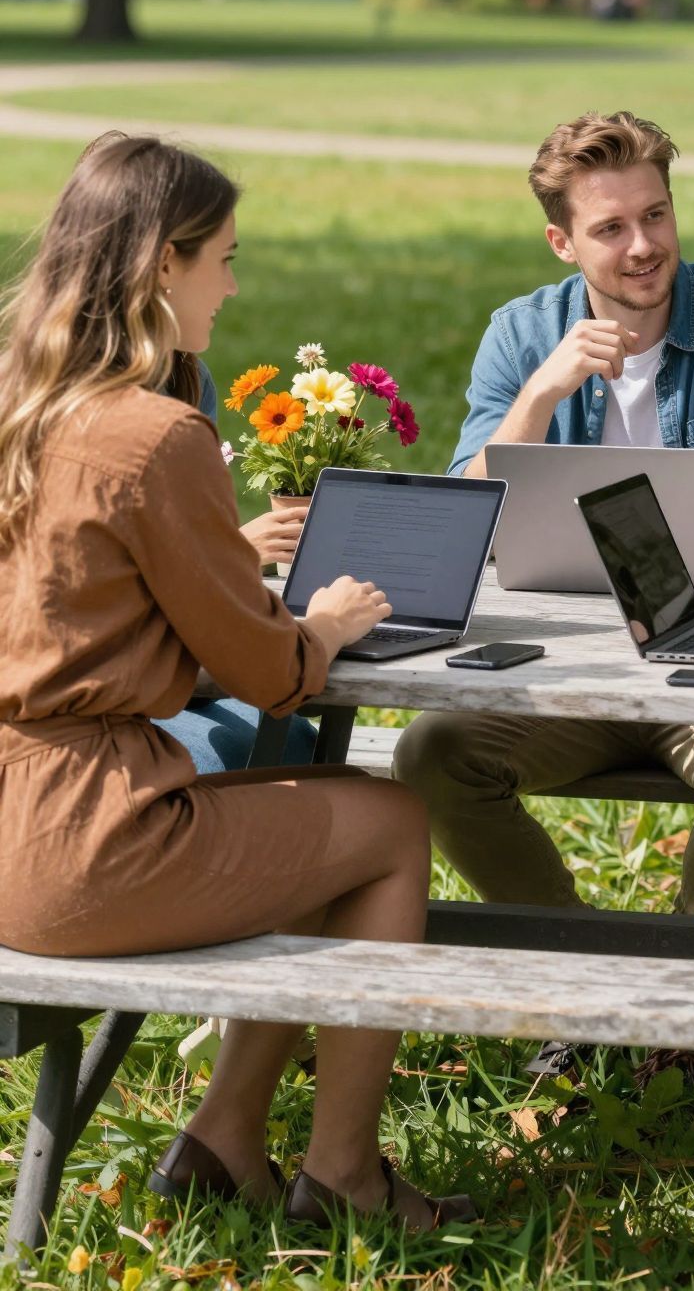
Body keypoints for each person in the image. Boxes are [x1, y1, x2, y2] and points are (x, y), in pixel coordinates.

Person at [0, 133, 473, 1230]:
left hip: (15, 829)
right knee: (393, 823)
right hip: (89, 845)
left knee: (314, 815)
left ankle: (221, 1141)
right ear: (163, 264)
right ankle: (346, 1173)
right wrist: (326, 622)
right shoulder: (154, 435)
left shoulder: (25, 408)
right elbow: (273, 673)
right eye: (224, 259)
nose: (233, 286)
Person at [393, 109, 694, 919]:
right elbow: (466, 522)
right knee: (431, 754)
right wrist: (540, 394)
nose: (643, 246)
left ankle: (692, 987)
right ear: (563, 243)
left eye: (656, 215)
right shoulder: (522, 335)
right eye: (611, 228)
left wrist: (568, 542)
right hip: (566, 668)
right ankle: (571, 957)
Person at [162, 361, 318, 775]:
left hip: (172, 668)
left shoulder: (187, 374)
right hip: (87, 705)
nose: (231, 290)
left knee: (295, 741)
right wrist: (231, 554)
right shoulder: (59, 413)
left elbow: (188, 531)